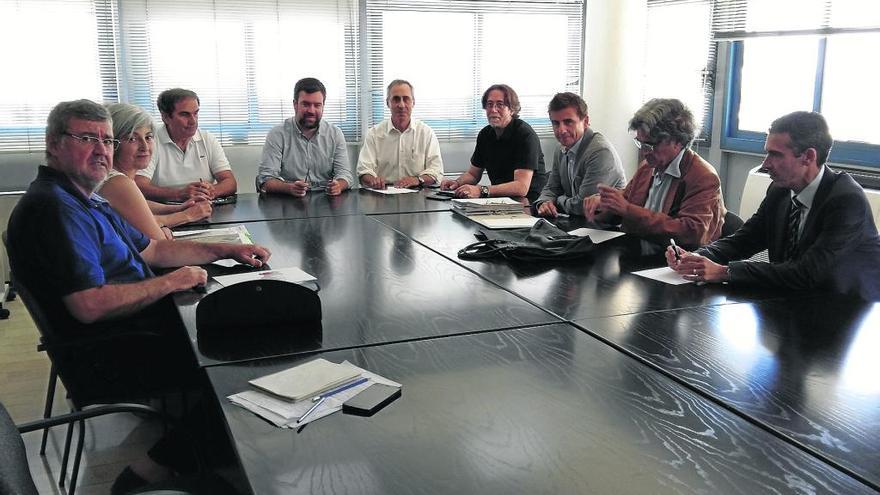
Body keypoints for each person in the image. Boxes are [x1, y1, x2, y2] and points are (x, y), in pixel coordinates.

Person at [6, 99, 271, 489]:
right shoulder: (56, 208)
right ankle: (155, 471)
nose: (101, 150)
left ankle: (200, 459)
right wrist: (169, 282)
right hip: (110, 351)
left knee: (249, 327)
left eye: (107, 140)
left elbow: (155, 250)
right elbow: (89, 305)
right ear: (53, 144)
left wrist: (226, 249)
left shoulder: (86, 197)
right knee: (243, 356)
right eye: (86, 138)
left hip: (134, 329)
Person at [666, 111, 880, 300]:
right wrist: (697, 258)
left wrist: (724, 272)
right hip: (791, 301)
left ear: (808, 157)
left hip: (845, 311)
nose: (766, 164)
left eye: (775, 155)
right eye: (767, 153)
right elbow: (744, 240)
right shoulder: (779, 191)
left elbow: (807, 272)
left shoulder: (846, 201)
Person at [583, 98, 725, 250]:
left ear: (678, 142)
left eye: (650, 145)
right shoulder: (647, 168)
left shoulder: (703, 177)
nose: (644, 152)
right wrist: (604, 204)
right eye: (640, 143)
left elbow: (690, 234)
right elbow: (625, 205)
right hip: (635, 255)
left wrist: (627, 209)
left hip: (671, 266)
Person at [99, 103, 212, 240]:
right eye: (132, 139)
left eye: (148, 137)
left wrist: (178, 208)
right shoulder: (117, 182)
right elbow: (161, 246)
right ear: (111, 143)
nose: (144, 147)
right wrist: (187, 215)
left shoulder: (115, 177)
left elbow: (139, 206)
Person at [441, 84, 547, 202]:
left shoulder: (525, 134)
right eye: (489, 104)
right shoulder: (485, 134)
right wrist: (457, 183)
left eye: (500, 105)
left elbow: (521, 187)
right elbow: (473, 174)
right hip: (499, 202)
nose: (493, 110)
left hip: (529, 204)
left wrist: (481, 190)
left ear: (512, 109)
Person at [135, 88, 238, 202]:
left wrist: (211, 191)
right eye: (185, 114)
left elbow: (230, 182)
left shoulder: (207, 139)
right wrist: (179, 194)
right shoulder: (150, 140)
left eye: (196, 113)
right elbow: (139, 186)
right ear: (165, 117)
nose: (193, 121)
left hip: (202, 207)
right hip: (162, 210)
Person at [534, 92, 625, 218]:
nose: (561, 130)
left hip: (605, 227)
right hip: (576, 222)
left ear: (586, 121)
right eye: (555, 123)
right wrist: (544, 203)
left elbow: (583, 205)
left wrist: (558, 200)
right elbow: (551, 188)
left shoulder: (600, 152)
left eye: (568, 122)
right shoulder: (560, 148)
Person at [257, 77, 353, 196]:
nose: (311, 110)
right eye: (306, 104)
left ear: (323, 106)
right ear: (295, 104)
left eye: (317, 105)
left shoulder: (335, 134)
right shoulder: (277, 134)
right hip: (287, 201)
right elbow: (266, 179)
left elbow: (345, 175)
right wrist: (289, 188)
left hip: (325, 200)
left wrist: (339, 185)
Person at [357, 80, 443, 189]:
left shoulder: (426, 133)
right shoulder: (374, 134)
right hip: (383, 195)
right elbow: (364, 169)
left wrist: (417, 180)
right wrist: (373, 180)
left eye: (406, 99)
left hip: (418, 194)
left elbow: (436, 170)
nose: (401, 105)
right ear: (388, 103)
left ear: (413, 102)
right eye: (396, 99)